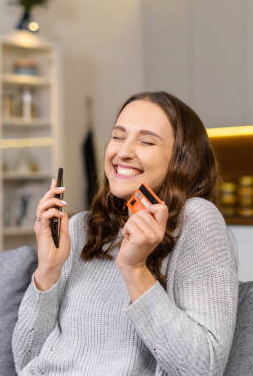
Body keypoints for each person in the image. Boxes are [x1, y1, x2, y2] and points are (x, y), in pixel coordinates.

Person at [12, 91, 239, 376]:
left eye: (146, 141)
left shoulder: (195, 220)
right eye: (118, 137)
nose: (124, 151)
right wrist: (48, 269)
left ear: (182, 159)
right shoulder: (81, 228)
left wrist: (135, 269)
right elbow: (26, 361)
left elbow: (202, 368)